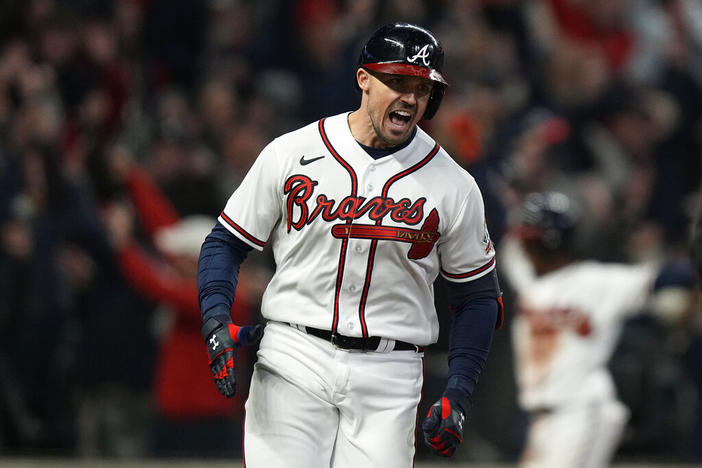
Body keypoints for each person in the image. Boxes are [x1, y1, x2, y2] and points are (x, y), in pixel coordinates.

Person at [197, 22, 503, 467]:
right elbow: (226, 241)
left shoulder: (454, 185)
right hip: (293, 356)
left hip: (391, 373)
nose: (409, 98)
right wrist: (215, 319)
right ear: (364, 79)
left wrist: (458, 391)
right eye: (396, 81)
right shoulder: (293, 151)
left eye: (420, 86)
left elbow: (478, 297)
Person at [499, 190, 694, 468]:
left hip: (580, 411)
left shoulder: (596, 282)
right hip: (541, 420)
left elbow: (664, 277)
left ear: (549, 243)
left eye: (530, 240)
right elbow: (506, 238)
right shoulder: (527, 277)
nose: (524, 247)